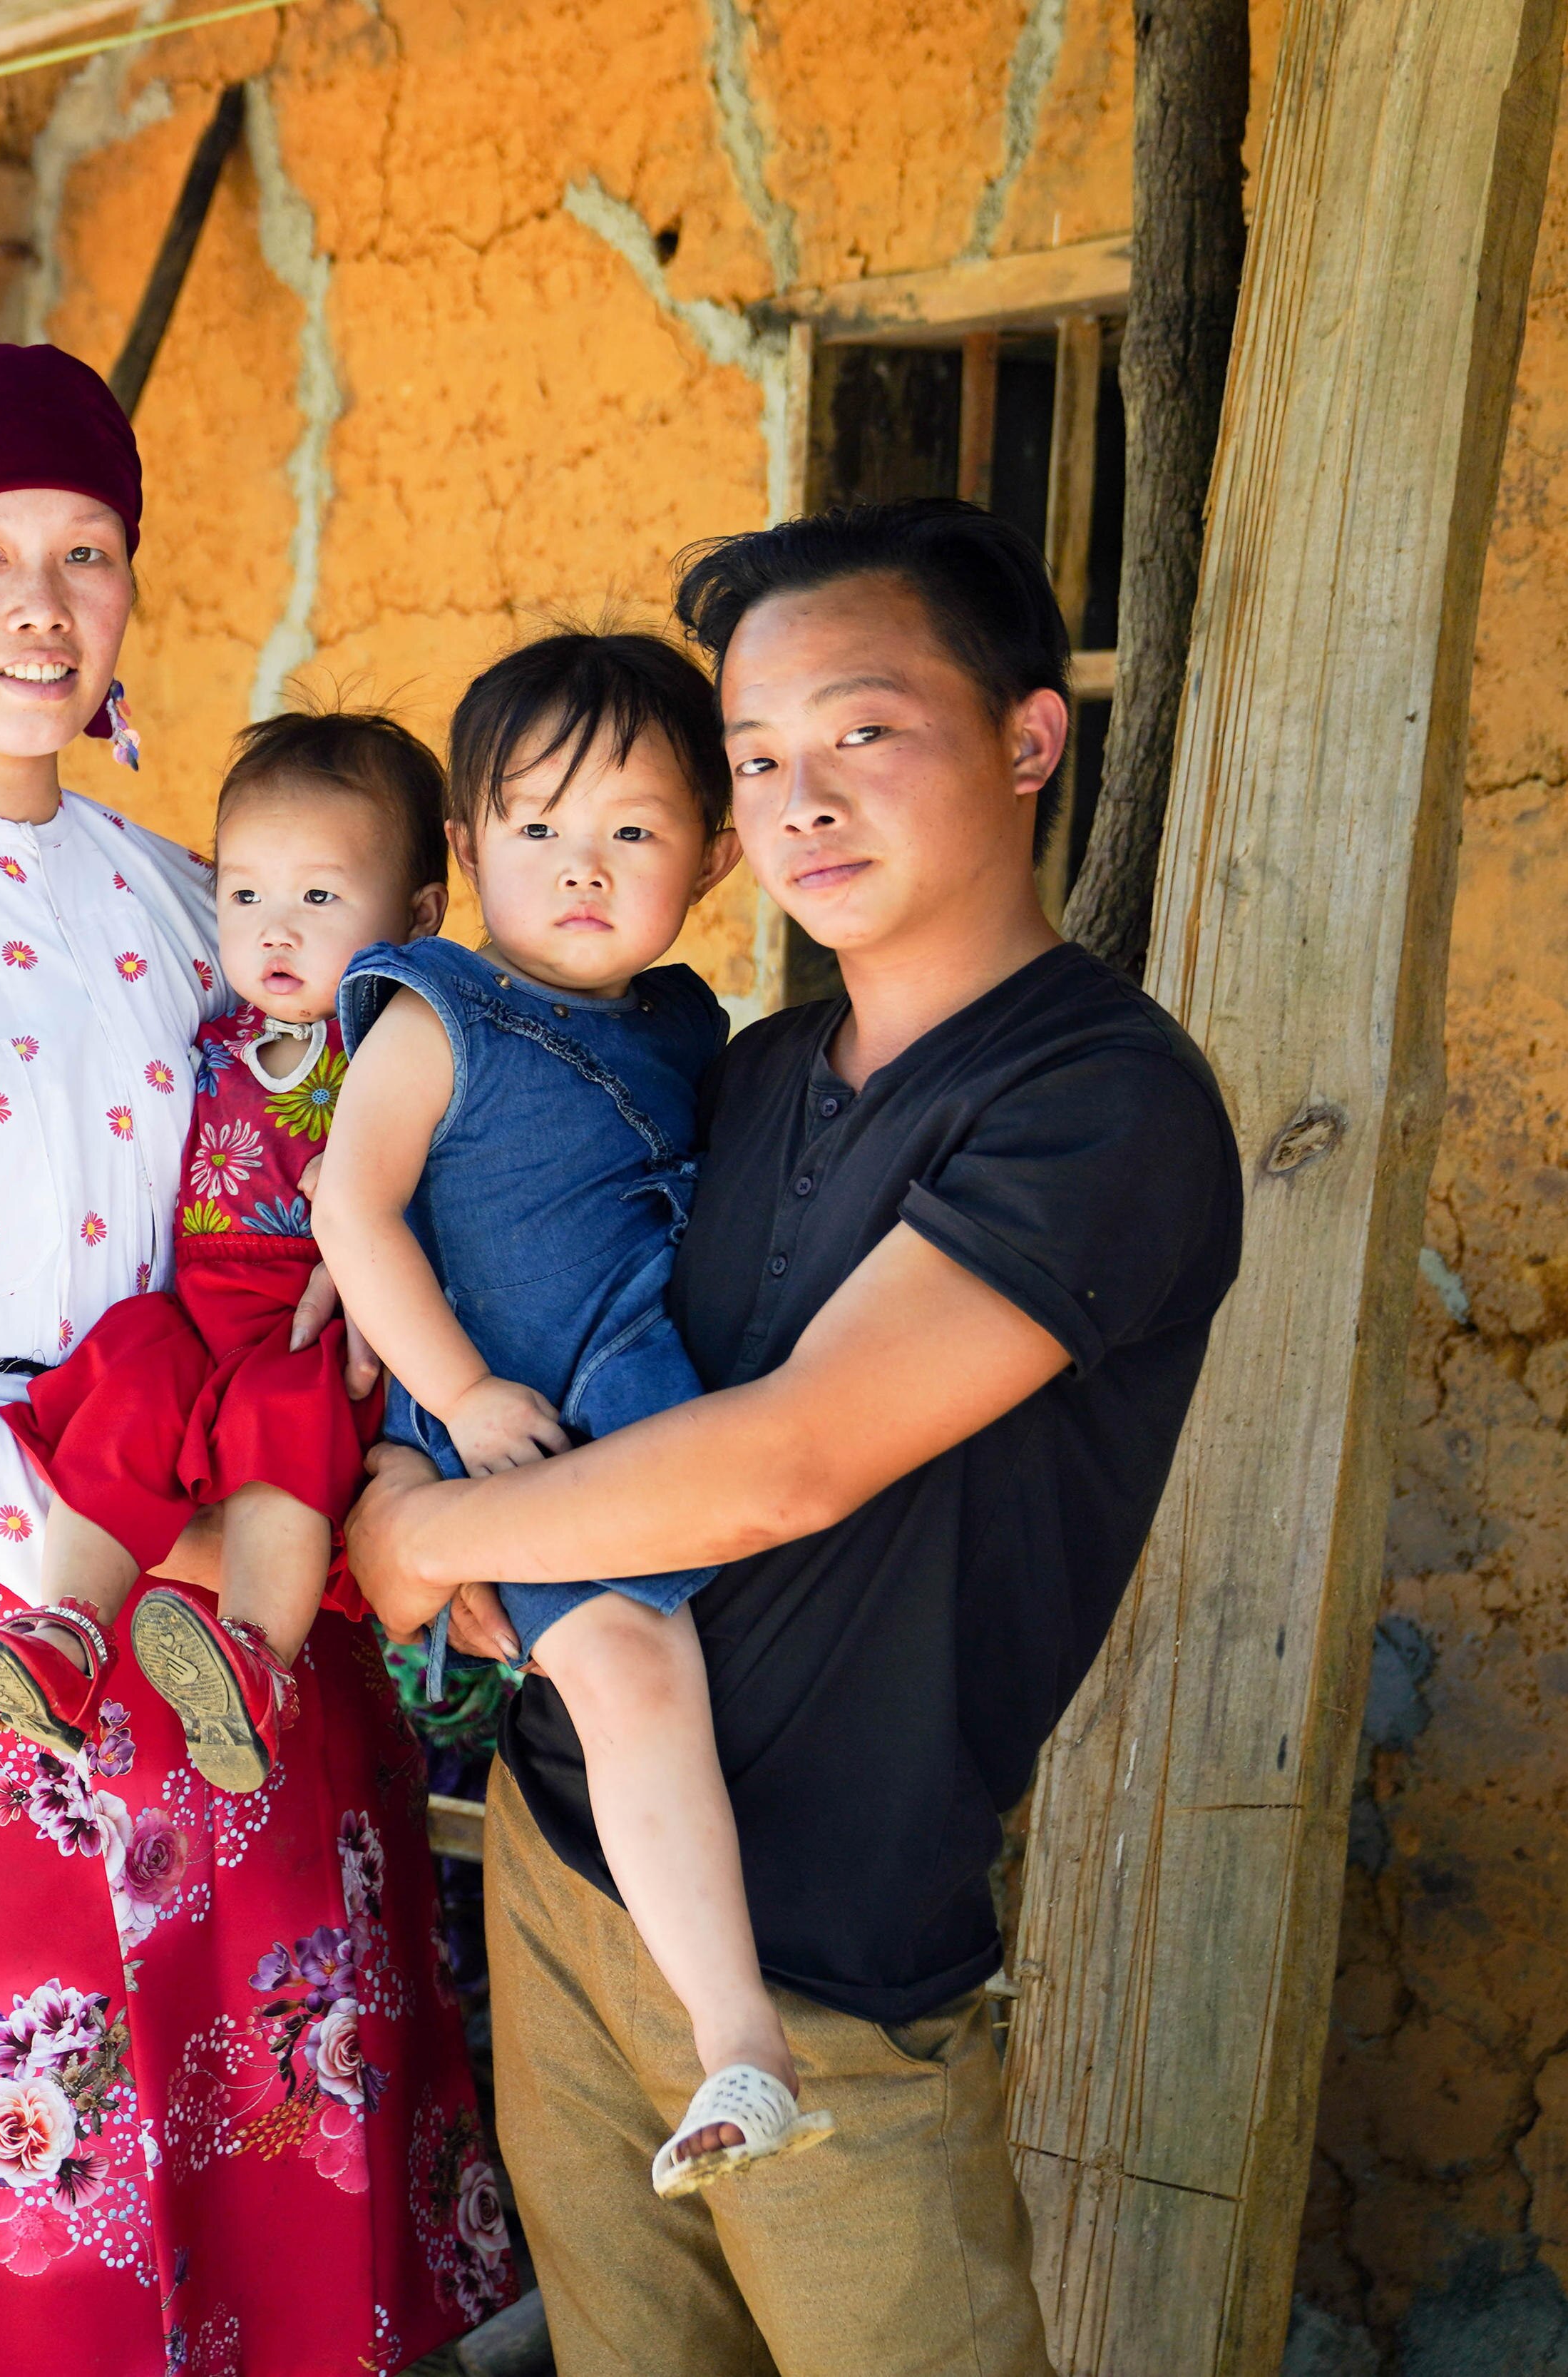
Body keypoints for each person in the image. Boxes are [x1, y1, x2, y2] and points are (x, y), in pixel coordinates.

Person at [0, 342, 518, 2377]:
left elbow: (337, 1209)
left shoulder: (186, 902)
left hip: (242, 1589)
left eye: (87, 549)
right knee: (13, 2189)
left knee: (272, 2149)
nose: (43, 600)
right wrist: (66, 1525)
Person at [342, 497, 1245, 2376]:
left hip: (826, 1970)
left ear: (1026, 736)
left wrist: (428, 1543)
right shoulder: (735, 1070)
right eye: (758, 759)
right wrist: (459, 1513)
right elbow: (561, 1359)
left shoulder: (1100, 1104)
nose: (799, 798)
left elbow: (785, 1463)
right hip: (567, 1854)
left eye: (861, 731)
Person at [312, 627, 831, 2198]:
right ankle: (740, 2027)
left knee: (667, 1671)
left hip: (636, 1390)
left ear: (716, 854)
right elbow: (356, 1206)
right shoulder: (440, 1012)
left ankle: (734, 2021)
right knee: (627, 1667)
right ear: (464, 850)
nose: (580, 868)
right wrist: (457, 1396)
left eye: (631, 830)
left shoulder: (690, 1027)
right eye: (534, 829)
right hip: (509, 1412)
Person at [0, 710, 439, 1798]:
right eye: (247, 894)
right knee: (129, 1374)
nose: (274, 930)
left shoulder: (406, 1043)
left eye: (319, 898)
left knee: (286, 1418)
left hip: (305, 1326)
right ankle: (67, 1636)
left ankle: (254, 1663)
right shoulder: (214, 1027)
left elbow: (446, 1189)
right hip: (197, 1310)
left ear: (418, 916)